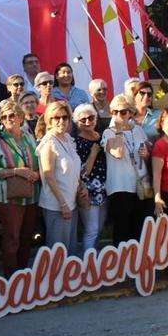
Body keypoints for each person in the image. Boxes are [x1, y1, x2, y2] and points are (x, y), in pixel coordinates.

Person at [0, 99, 41, 274]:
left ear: (20, 117)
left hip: (32, 193)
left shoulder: (29, 137)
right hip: (8, 196)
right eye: (3, 117)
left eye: (12, 115)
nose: (8, 119)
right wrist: (17, 171)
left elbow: (40, 162)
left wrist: (37, 174)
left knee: (27, 237)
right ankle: (10, 278)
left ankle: (23, 273)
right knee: (12, 238)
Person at [37, 100, 83, 254]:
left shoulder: (68, 140)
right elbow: (48, 175)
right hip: (56, 204)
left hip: (71, 201)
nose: (61, 121)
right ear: (49, 120)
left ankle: (68, 279)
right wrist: (63, 204)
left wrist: (81, 186)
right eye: (56, 117)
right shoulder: (48, 142)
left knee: (70, 248)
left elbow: (74, 169)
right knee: (57, 251)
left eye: (65, 117)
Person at [102, 95, 148, 244]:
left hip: (140, 184)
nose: (118, 115)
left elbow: (146, 155)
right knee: (122, 229)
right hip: (120, 186)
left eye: (123, 112)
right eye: (114, 112)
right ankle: (121, 264)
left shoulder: (139, 130)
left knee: (138, 227)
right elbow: (118, 153)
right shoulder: (109, 132)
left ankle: (136, 262)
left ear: (130, 113)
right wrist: (118, 131)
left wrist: (146, 154)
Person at [72, 103, 107, 252]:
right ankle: (88, 265)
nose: (87, 122)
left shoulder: (102, 136)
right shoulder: (76, 142)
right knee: (91, 230)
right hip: (88, 190)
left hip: (105, 189)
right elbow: (81, 173)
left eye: (91, 118)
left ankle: (94, 262)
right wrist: (93, 153)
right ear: (77, 123)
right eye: (83, 120)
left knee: (99, 229)